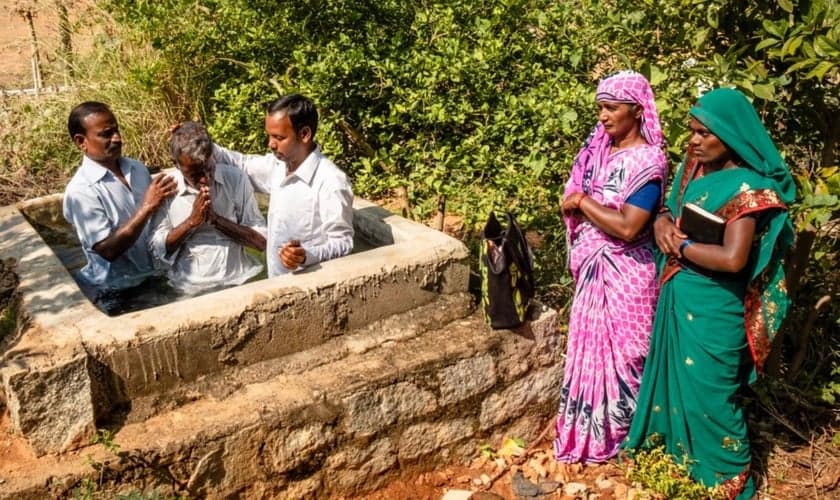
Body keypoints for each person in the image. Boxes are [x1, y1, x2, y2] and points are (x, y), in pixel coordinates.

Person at [622, 88, 795, 499]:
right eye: (692, 132)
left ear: (731, 136)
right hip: (680, 294)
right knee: (675, 381)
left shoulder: (748, 188)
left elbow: (734, 260)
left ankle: (730, 481)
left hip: (716, 305)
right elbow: (671, 207)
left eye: (704, 134)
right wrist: (663, 221)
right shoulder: (694, 169)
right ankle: (679, 467)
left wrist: (679, 247)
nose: (694, 141)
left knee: (712, 395)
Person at [554, 70, 668, 463]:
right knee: (591, 349)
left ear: (636, 111)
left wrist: (583, 203)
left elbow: (629, 225)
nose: (602, 116)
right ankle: (590, 436)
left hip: (628, 274)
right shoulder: (599, 154)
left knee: (629, 354)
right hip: (594, 270)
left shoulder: (647, 162)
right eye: (600, 108)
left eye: (611, 108)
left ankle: (629, 437)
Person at [211, 94, 354, 277]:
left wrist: (305, 256)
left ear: (304, 134)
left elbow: (343, 243)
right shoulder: (277, 167)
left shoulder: (331, 181)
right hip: (277, 284)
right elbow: (240, 163)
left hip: (312, 290)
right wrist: (203, 142)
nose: (271, 144)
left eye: (279, 137)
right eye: (269, 136)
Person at [63, 101, 177, 294]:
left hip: (154, 276)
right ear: (81, 142)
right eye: (106, 134)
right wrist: (147, 206)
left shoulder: (137, 168)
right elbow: (108, 250)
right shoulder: (81, 192)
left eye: (116, 131)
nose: (117, 138)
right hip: (116, 289)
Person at [149, 122, 267, 293]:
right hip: (188, 286)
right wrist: (191, 222)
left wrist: (217, 221)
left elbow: (262, 241)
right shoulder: (166, 189)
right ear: (176, 164)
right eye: (195, 175)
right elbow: (156, 250)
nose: (205, 179)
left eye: (209, 169)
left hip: (240, 279)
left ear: (213, 155)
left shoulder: (235, 179)